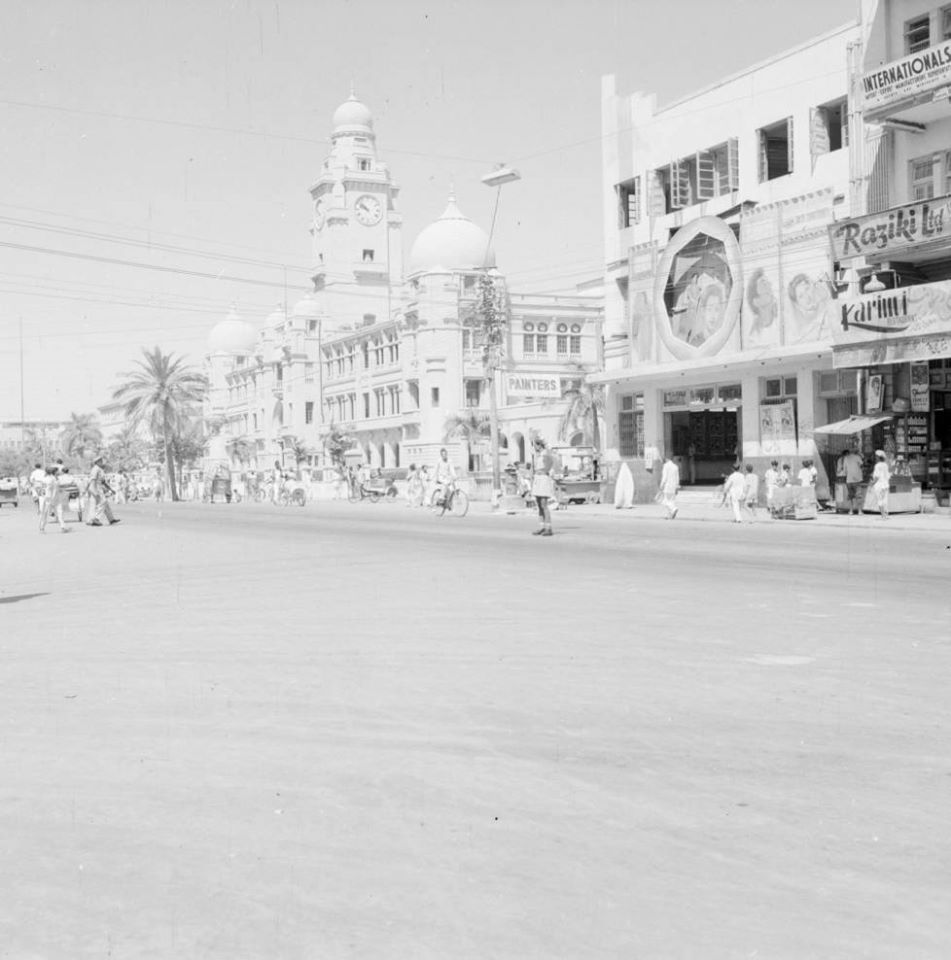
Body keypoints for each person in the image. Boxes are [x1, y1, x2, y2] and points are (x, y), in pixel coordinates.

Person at [530, 437, 555, 536]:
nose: (534, 447)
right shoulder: (536, 455)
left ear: (539, 445)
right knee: (539, 505)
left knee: (544, 504)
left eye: (535, 444)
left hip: (544, 479)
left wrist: (544, 471)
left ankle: (548, 528)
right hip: (537, 479)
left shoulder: (546, 453)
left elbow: (550, 463)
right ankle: (542, 527)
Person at [86, 456, 120, 526]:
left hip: (99, 487)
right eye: (100, 461)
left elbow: (103, 481)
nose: (102, 462)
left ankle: (111, 519)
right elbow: (93, 480)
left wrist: (110, 489)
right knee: (103, 502)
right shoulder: (95, 469)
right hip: (96, 487)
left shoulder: (100, 469)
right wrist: (93, 490)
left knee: (105, 504)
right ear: (97, 462)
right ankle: (96, 519)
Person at [39, 465, 71, 534]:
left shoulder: (44, 479)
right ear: (53, 472)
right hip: (54, 498)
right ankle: (63, 527)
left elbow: (43, 489)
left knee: (45, 513)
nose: (58, 473)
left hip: (47, 498)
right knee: (59, 513)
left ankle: (42, 528)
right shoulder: (53, 479)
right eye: (56, 471)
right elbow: (57, 488)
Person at [840, 446, 864, 515]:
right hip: (857, 479)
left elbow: (844, 471)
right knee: (858, 495)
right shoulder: (857, 457)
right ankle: (859, 511)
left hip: (849, 480)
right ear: (856, 452)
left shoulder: (846, 458)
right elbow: (862, 465)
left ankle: (851, 511)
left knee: (851, 496)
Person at [659, 454, 680, 519]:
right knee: (671, 501)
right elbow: (677, 478)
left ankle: (674, 509)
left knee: (665, 501)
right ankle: (669, 515)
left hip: (667, 486)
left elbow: (664, 477)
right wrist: (677, 487)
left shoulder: (666, 466)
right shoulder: (675, 466)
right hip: (673, 487)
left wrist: (661, 485)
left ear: (666, 459)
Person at [872, 449, 890, 519]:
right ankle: (886, 514)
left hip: (879, 485)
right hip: (885, 485)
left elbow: (876, 476)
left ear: (877, 457)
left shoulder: (877, 465)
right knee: (885, 500)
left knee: (880, 500)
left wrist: (872, 483)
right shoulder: (885, 465)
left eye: (875, 456)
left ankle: (883, 515)